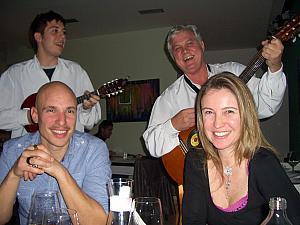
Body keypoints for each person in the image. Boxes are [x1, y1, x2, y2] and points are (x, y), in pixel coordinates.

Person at [143, 24, 286, 157]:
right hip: (200, 173)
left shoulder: (233, 71)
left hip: (241, 160)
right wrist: (173, 124)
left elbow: (268, 106)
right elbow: (152, 145)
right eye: (177, 49)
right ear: (174, 58)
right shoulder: (169, 98)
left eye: (189, 43)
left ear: (202, 46)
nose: (185, 51)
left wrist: (275, 67)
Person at [182, 72, 300, 225]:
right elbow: (192, 220)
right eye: (209, 112)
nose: (218, 124)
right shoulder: (196, 160)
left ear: (245, 116)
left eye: (229, 111)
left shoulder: (263, 163)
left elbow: (294, 218)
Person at [0, 81, 111, 225]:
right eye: (51, 110)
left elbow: (100, 222)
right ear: (35, 115)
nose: (62, 121)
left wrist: (58, 171)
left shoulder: (93, 150)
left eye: (69, 111)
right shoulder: (13, 150)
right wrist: (14, 175)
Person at [0, 10, 101, 139]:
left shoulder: (76, 72)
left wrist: (87, 108)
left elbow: (90, 123)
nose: (62, 37)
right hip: (29, 152)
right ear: (38, 37)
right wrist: (28, 116)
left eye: (64, 32)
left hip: (69, 153)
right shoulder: (14, 74)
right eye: (55, 31)